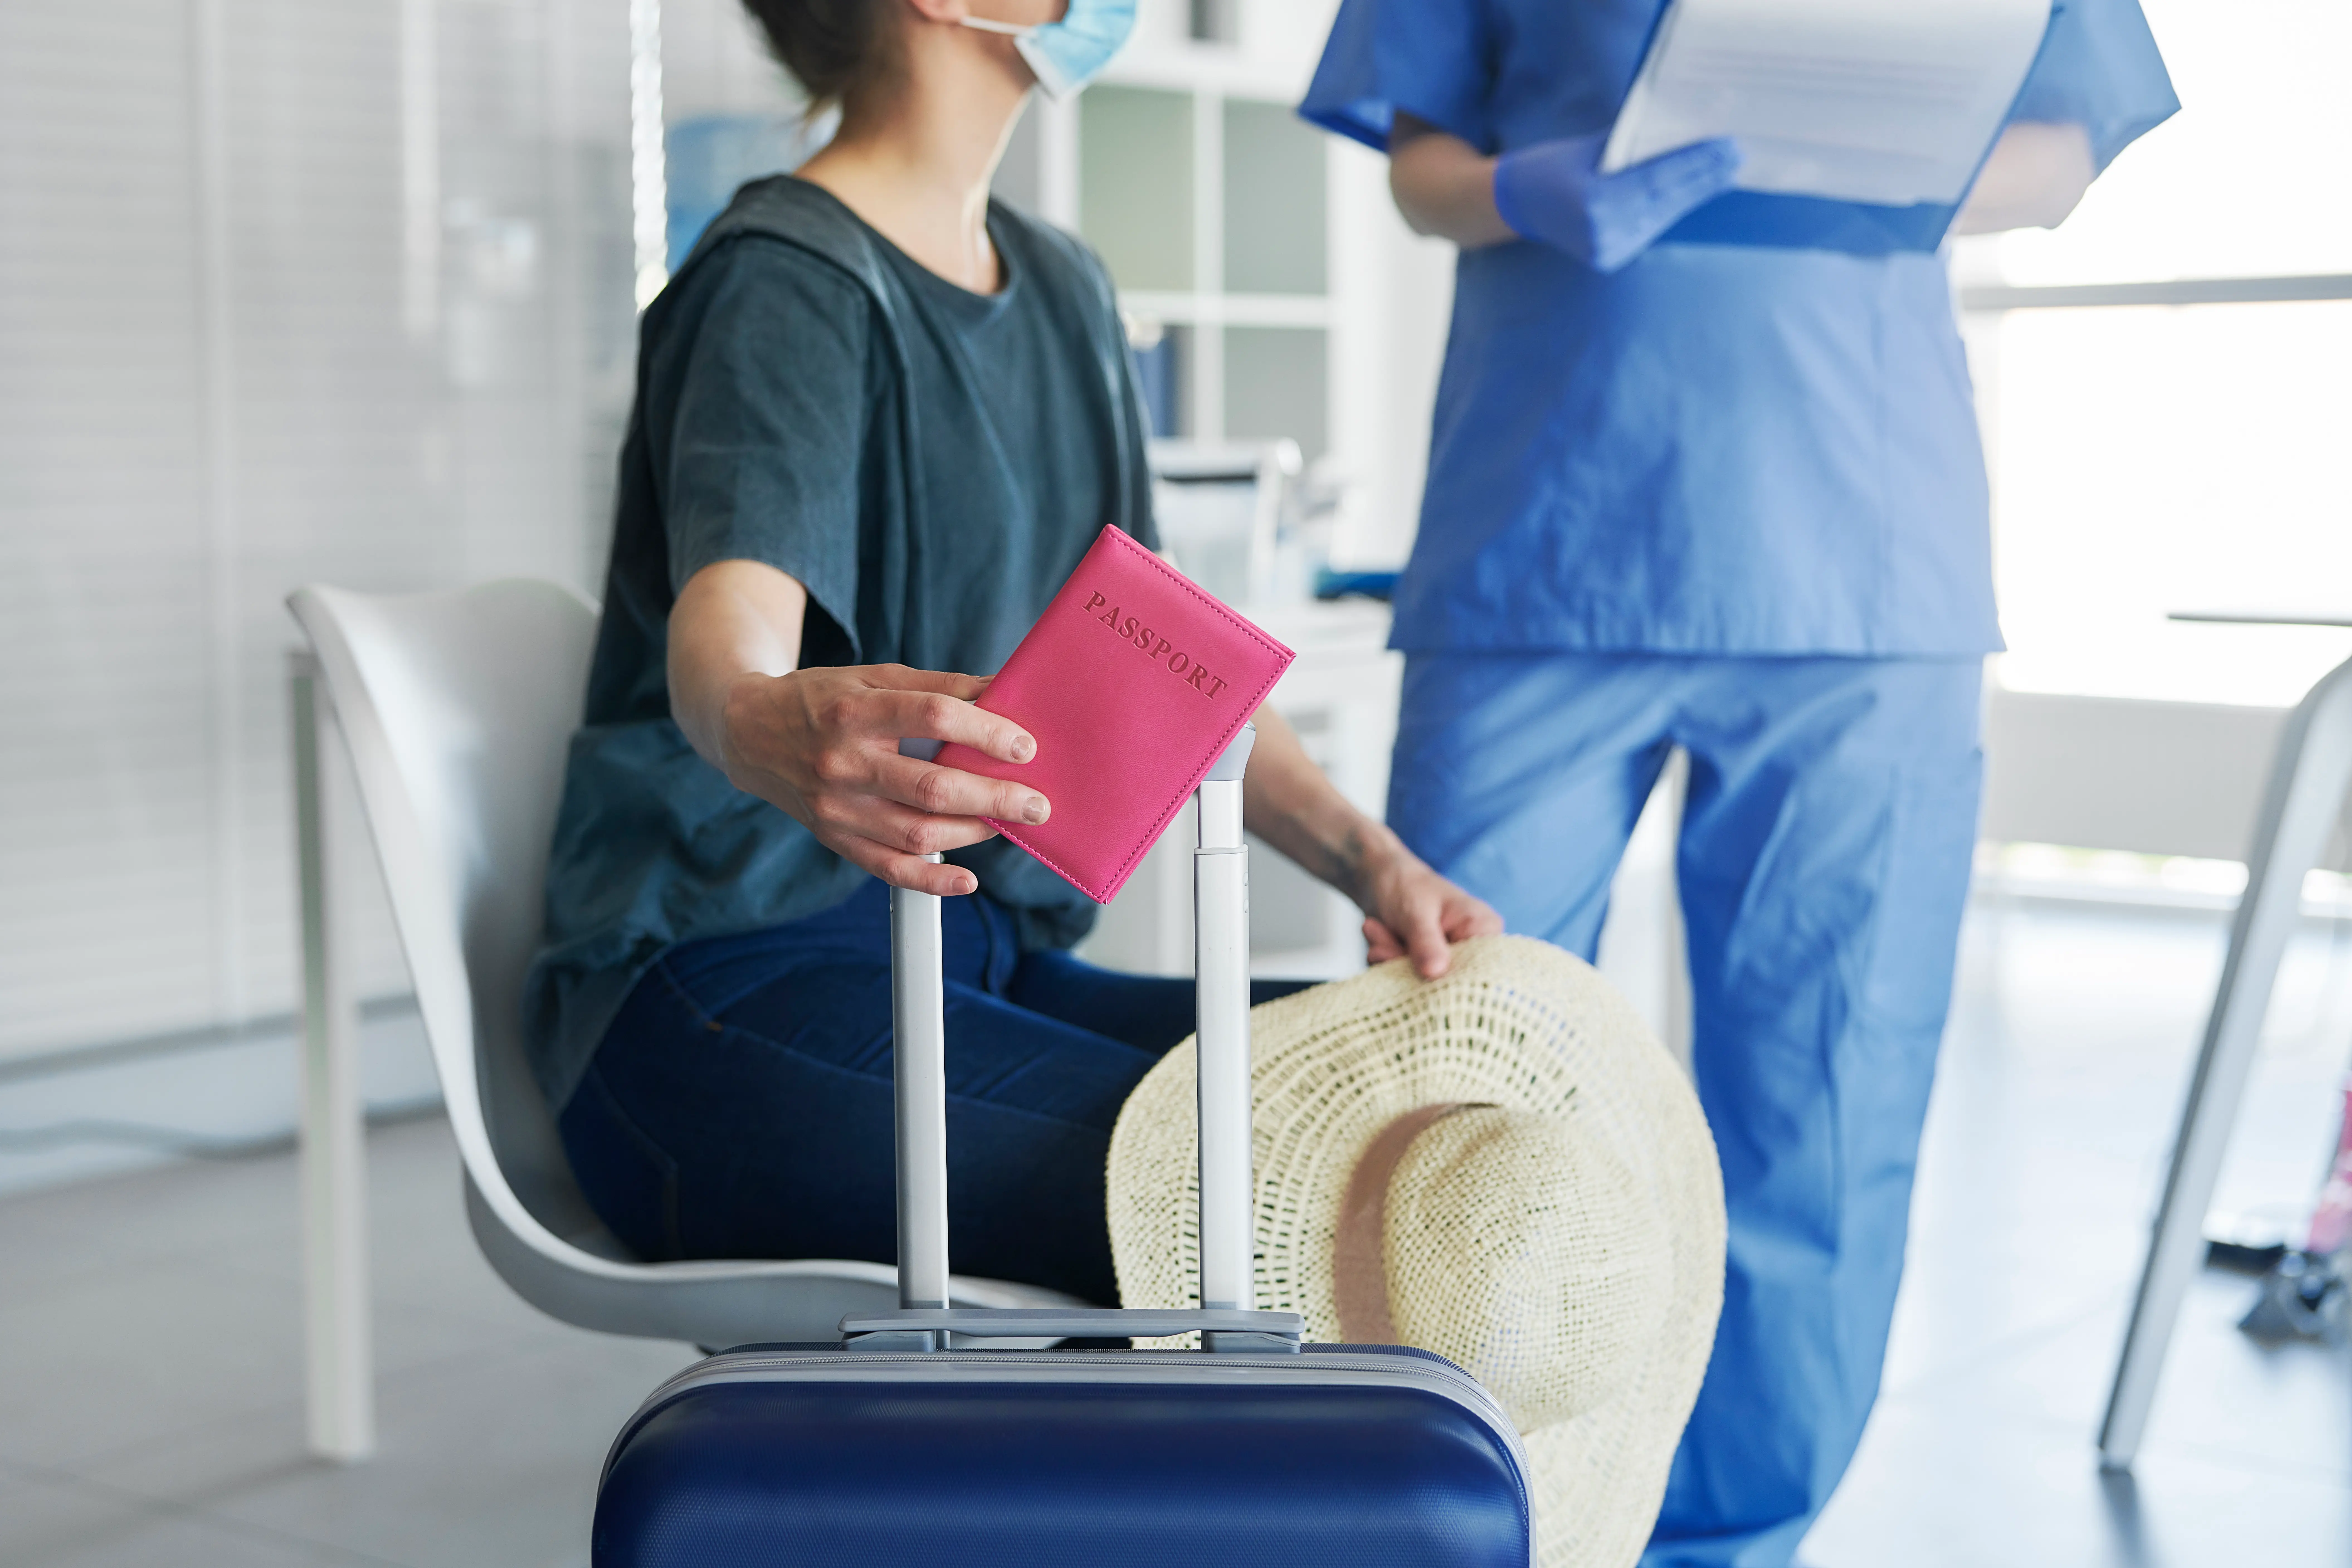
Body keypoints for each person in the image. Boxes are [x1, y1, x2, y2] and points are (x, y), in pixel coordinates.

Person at [1297, 3, 2177, 1564]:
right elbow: (1417, 165)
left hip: (1859, 558)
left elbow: (2064, 152)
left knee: (1819, 1105)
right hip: (1539, 542)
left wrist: (1853, 162)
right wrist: (1525, 189)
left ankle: (1728, 1540)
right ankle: (1445, 1517)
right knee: (1443, 1067)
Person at [521, 0, 1500, 1311]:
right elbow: (731, 626)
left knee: (1438, 1090)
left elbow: (1175, 666)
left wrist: (1372, 862)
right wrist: (759, 717)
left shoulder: (1063, 289)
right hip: (722, 992)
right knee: (1284, 1182)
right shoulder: (786, 276)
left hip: (972, 961)